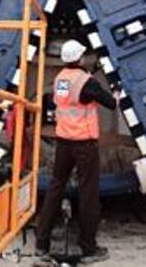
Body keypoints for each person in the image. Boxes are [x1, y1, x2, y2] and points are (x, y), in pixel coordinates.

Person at [35, 39, 117, 263]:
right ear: (80, 58)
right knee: (89, 193)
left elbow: (65, 101)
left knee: (55, 188)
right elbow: (110, 103)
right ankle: (89, 247)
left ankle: (41, 243)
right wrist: (116, 94)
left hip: (63, 142)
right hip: (84, 144)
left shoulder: (60, 79)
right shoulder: (86, 82)